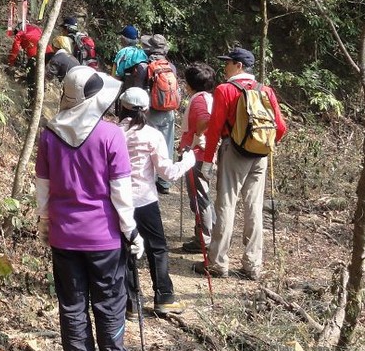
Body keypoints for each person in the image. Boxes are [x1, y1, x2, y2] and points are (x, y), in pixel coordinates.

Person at [35, 66, 144, 351]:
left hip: (64, 236)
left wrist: (44, 223)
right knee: (110, 303)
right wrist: (133, 233)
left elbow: (43, 189)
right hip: (105, 238)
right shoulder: (110, 135)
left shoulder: (49, 135)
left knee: (72, 303)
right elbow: (121, 194)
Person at [192, 47, 287, 281]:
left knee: (226, 204)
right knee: (254, 207)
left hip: (233, 151)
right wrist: (262, 144)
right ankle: (253, 265)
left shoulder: (225, 90)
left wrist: (208, 160)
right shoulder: (266, 90)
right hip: (260, 156)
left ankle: (217, 263)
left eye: (228, 63)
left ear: (239, 66)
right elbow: (281, 128)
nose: (224, 67)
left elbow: (214, 128)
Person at [118, 87, 195, 316]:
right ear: (147, 109)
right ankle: (164, 297)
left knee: (127, 251)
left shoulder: (113, 133)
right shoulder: (152, 135)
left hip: (119, 201)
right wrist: (188, 161)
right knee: (157, 248)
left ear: (121, 107)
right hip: (145, 200)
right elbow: (167, 173)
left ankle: (131, 304)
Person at [179, 62, 217, 254]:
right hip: (202, 152)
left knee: (199, 196)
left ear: (191, 84)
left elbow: (205, 119)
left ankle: (204, 238)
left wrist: (196, 138)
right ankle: (208, 233)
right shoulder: (208, 97)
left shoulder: (199, 100)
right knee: (202, 194)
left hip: (197, 154)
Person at [141, 33, 177, 196]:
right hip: (169, 112)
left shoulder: (145, 67)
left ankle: (147, 178)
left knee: (147, 146)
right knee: (166, 145)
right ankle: (164, 182)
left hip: (151, 112)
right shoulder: (171, 67)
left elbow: (140, 91)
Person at [112, 25, 147, 116]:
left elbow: (116, 76)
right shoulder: (142, 53)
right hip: (142, 94)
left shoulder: (123, 53)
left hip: (128, 93)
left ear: (124, 39)